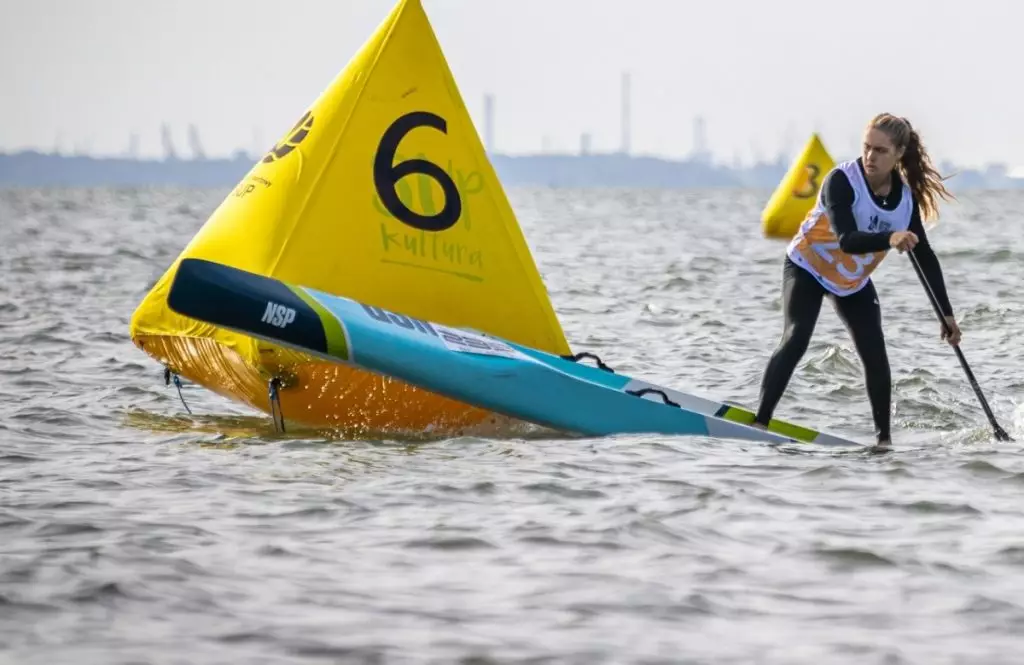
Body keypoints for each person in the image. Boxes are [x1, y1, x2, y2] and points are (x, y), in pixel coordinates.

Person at [752, 113, 960, 448]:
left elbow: (926, 257)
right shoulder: (842, 181)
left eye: (880, 150)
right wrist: (890, 238)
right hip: (807, 266)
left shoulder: (905, 201)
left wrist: (946, 314)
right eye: (866, 147)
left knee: (875, 353)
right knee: (797, 336)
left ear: (898, 154)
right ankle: (760, 423)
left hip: (851, 282)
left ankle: (884, 442)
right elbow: (847, 239)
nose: (870, 156)